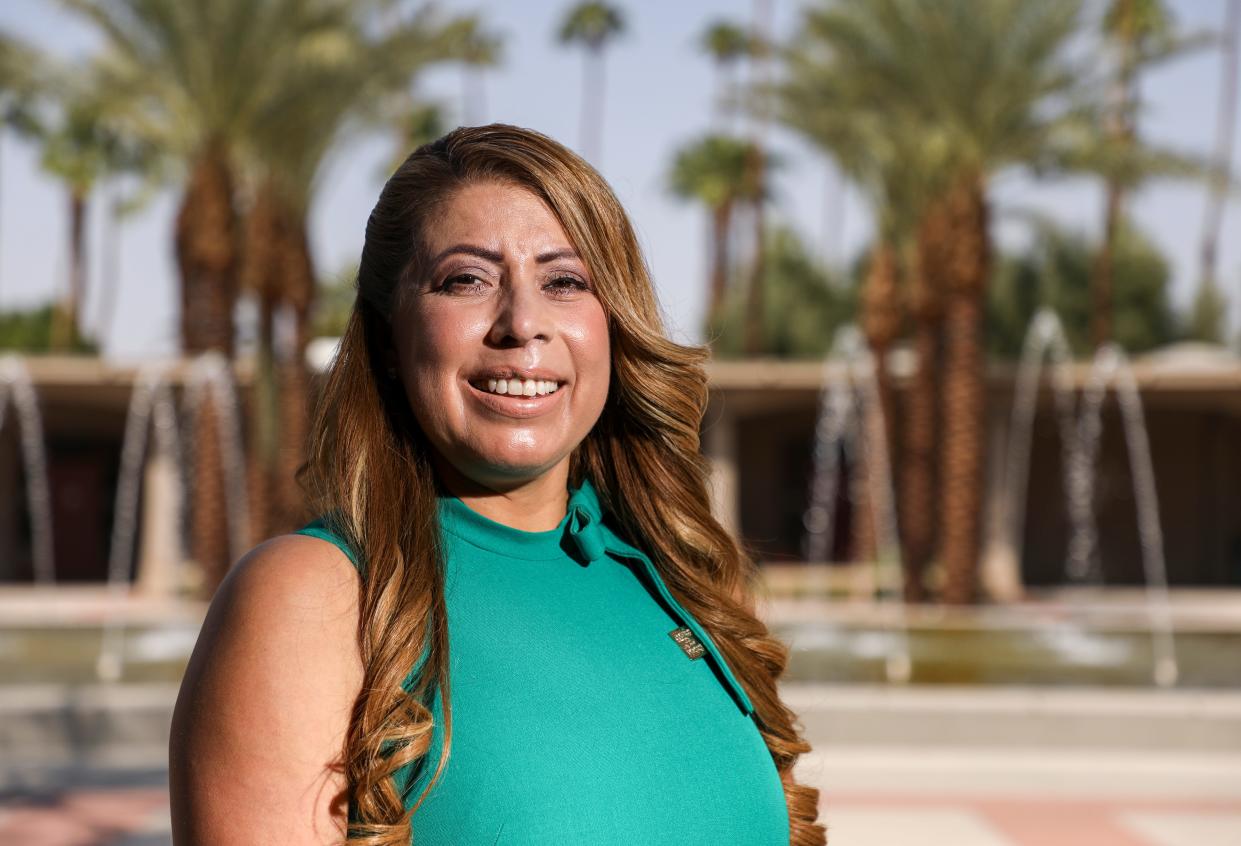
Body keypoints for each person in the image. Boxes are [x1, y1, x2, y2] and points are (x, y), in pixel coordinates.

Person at [168, 124, 824, 846]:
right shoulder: (309, 597)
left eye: (564, 282)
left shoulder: (682, 580)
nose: (521, 324)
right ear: (389, 338)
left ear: (613, 324)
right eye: (466, 280)